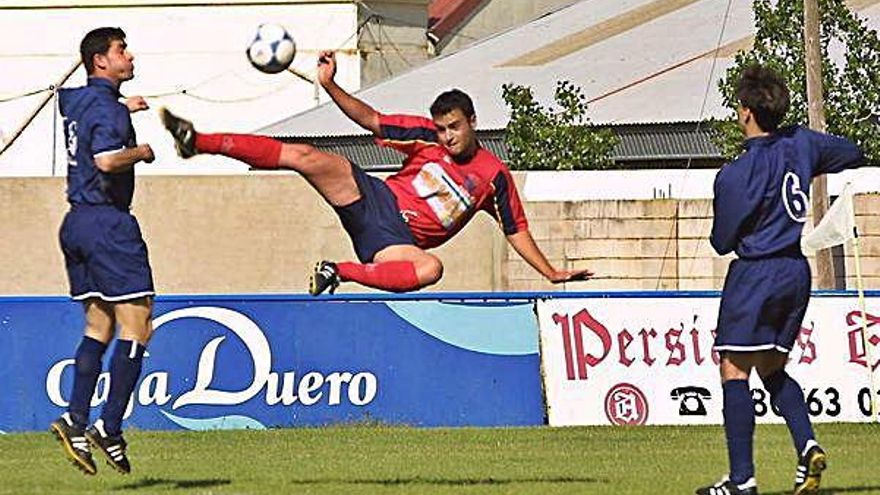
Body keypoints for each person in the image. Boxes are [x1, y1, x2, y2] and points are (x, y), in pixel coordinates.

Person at [160, 50, 591, 294]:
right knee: (307, 155)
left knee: (430, 270)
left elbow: (516, 230)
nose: (446, 137)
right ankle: (198, 141)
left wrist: (550, 272)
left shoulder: (493, 177)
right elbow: (372, 120)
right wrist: (329, 85)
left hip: (393, 243)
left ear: (472, 122)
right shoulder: (423, 136)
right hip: (373, 199)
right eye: (441, 128)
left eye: (454, 127)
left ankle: (338, 271)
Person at [697, 65, 867, 495]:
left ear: (747, 112)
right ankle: (807, 444)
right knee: (772, 368)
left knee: (734, 369)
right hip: (796, 270)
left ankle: (742, 480)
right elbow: (852, 151)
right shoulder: (801, 144)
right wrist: (798, 143)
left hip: (758, 272)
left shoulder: (736, 173)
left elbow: (721, 242)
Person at [50, 27, 155, 476]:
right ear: (99, 60)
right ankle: (109, 427)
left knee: (99, 324)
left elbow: (70, 102)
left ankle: (75, 420)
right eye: (120, 50)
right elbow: (107, 160)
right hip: (109, 223)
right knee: (140, 323)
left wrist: (120, 105)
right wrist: (142, 150)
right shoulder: (106, 111)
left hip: (76, 222)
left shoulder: (77, 102)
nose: (129, 56)